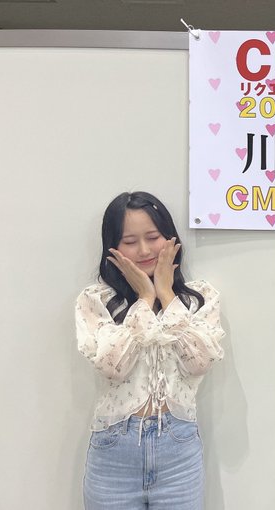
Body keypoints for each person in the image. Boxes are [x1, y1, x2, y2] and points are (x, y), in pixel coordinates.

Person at [75, 191, 225, 509]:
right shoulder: (97, 300)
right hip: (113, 454)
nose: (144, 250)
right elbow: (113, 366)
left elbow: (199, 362)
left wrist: (166, 294)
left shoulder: (199, 298)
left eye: (153, 237)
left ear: (170, 239)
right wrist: (145, 298)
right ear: (113, 246)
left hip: (179, 453)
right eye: (130, 241)